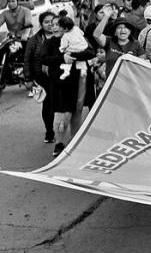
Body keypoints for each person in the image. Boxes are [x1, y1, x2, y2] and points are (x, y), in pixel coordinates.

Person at [42, 19, 97, 157]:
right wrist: (62, 58)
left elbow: (91, 52)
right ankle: (59, 143)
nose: (54, 28)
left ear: (66, 28)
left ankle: (75, 142)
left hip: (80, 81)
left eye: (58, 25)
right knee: (63, 114)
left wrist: (72, 56)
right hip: (60, 83)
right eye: (52, 25)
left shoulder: (78, 36)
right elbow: (44, 58)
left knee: (77, 112)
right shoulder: (49, 43)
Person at [24, 11, 57, 143]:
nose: (50, 25)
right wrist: (28, 79)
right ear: (41, 24)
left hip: (60, 77)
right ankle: (49, 132)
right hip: (42, 78)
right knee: (48, 105)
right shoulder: (34, 40)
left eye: (52, 22)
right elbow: (27, 60)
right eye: (46, 22)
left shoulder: (63, 37)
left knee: (61, 106)